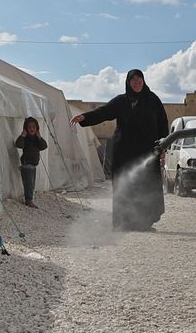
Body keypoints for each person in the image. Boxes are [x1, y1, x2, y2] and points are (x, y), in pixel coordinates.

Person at [72, 70, 168, 231]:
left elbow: (163, 124)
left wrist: (163, 146)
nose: (137, 82)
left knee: (146, 185)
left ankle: (143, 222)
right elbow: (104, 112)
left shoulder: (153, 100)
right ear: (128, 82)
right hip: (124, 151)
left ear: (144, 81)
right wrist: (85, 117)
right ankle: (123, 222)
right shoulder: (121, 101)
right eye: (133, 80)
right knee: (124, 185)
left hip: (147, 152)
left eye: (140, 79)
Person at [14, 117, 47, 207]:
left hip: (33, 165)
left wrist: (39, 136)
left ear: (37, 128)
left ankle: (29, 199)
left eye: (34, 127)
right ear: (26, 128)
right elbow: (18, 145)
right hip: (26, 165)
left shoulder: (37, 139)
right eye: (29, 127)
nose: (32, 129)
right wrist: (22, 135)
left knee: (32, 184)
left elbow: (44, 146)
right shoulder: (26, 139)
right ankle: (29, 201)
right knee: (28, 183)